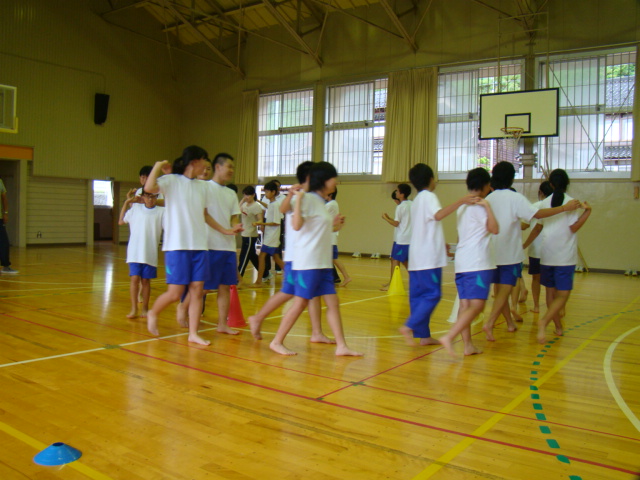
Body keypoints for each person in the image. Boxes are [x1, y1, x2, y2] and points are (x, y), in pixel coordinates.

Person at [144, 146, 240, 345]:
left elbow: (205, 215)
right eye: (205, 160)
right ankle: (153, 312)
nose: (207, 165)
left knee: (197, 290)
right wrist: (158, 165)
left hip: (200, 247)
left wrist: (225, 230)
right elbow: (149, 188)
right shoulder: (171, 181)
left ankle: (193, 333)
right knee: (175, 293)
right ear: (195, 161)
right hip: (176, 247)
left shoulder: (202, 187)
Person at [269, 162, 362, 356]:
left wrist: (333, 225)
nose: (336, 181)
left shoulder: (321, 202)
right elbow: (297, 226)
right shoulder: (308, 199)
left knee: (333, 303)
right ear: (323, 180)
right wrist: (298, 199)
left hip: (322, 263)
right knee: (300, 303)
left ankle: (342, 346)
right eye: (333, 177)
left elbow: (315, 229)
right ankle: (277, 341)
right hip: (308, 263)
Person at [482, 161, 580, 342]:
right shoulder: (515, 198)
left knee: (499, 289)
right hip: (509, 254)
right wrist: (564, 208)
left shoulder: (489, 198)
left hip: (491, 253)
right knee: (505, 290)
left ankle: (509, 323)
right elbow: (537, 215)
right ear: (511, 178)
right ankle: (490, 322)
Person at [248, 161, 333, 345]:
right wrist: (293, 194)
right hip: (298, 257)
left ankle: (317, 332)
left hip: (306, 257)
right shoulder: (300, 196)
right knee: (290, 293)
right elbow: (284, 210)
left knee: (311, 294)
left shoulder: (311, 197)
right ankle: (260, 320)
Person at [399, 163, 478, 346]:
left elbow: (426, 225)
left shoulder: (417, 200)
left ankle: (424, 336)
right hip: (428, 258)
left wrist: (441, 243)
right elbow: (438, 215)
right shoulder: (429, 196)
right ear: (430, 179)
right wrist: (461, 201)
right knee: (432, 295)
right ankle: (409, 325)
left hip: (417, 257)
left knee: (418, 297)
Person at [523, 169, 591, 344]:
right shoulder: (572, 203)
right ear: (567, 183)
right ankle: (544, 321)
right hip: (564, 256)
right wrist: (587, 213)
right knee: (563, 294)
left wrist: (524, 245)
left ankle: (558, 327)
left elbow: (538, 227)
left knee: (550, 292)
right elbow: (573, 228)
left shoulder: (544, 203)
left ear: (551, 184)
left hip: (546, 254)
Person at [177, 154, 242, 335]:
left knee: (225, 287)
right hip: (209, 245)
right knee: (204, 287)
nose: (232, 170)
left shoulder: (231, 193)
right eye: (229, 166)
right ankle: (183, 307)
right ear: (218, 167)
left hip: (228, 247)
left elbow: (234, 216)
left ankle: (222, 324)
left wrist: (235, 226)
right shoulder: (203, 187)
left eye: (233, 167)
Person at [439, 168, 499, 356]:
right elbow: (494, 229)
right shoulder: (480, 206)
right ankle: (450, 337)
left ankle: (468, 346)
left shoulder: (463, 207)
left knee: (465, 305)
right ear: (486, 185)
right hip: (478, 262)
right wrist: (488, 207)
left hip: (463, 262)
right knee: (477, 306)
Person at [118, 187, 164, 319]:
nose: (150, 199)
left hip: (150, 252)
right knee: (134, 279)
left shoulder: (162, 211)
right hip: (134, 252)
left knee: (145, 281)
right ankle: (133, 309)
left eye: (153, 197)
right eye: (148, 196)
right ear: (142, 197)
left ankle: (145, 308)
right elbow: (121, 221)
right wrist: (127, 203)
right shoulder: (136, 209)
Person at [526, 180, 553, 313]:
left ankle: (537, 306)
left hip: (536, 249)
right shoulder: (557, 206)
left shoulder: (536, 206)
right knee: (551, 281)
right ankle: (555, 307)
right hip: (552, 249)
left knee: (536, 278)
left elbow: (528, 225)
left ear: (541, 192)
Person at [253, 181, 285, 286]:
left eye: (267, 192)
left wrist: (261, 223)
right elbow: (269, 207)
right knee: (276, 258)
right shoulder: (272, 204)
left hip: (272, 236)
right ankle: (294, 276)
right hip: (270, 235)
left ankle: (259, 281)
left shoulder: (275, 205)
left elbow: (276, 223)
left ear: (273, 192)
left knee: (262, 256)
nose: (265, 194)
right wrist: (258, 201)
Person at [381, 184, 412, 291]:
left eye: (398, 191)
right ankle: (393, 282)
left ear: (402, 194)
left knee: (396, 260)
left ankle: (393, 284)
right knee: (403, 260)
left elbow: (396, 223)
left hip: (402, 239)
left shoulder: (400, 207)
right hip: (409, 238)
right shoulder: (412, 204)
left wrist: (385, 218)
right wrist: (390, 218)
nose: (396, 193)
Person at [326, 188, 351, 287]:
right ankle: (339, 277)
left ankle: (346, 277)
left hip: (329, 237)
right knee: (331, 259)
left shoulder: (331, 204)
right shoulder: (332, 204)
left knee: (334, 259)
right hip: (329, 235)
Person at [238, 186, 264, 280]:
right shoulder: (244, 205)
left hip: (250, 235)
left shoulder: (256, 206)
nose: (246, 197)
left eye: (248, 195)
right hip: (244, 234)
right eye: (245, 195)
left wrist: (257, 223)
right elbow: (236, 210)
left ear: (253, 195)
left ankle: (238, 278)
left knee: (243, 257)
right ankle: (265, 274)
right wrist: (242, 200)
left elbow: (260, 220)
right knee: (252, 256)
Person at [0, 177, 17, 274]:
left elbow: (4, 198)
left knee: (4, 242)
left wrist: (5, 213)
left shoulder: (0, 182)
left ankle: (6, 266)